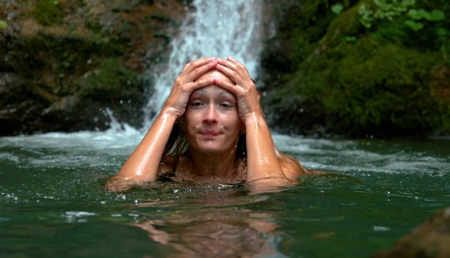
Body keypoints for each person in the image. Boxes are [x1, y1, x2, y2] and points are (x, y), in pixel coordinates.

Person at [107, 57, 308, 192]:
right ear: (182, 119)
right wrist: (168, 111)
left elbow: (268, 196)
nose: (210, 116)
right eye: (197, 104)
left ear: (242, 122)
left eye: (225, 105)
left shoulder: (282, 170)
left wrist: (254, 115)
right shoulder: (164, 169)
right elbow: (122, 189)